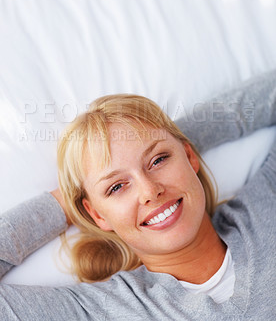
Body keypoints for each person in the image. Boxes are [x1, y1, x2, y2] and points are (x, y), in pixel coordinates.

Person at [0, 70, 275, 320]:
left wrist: (173, 134)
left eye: (158, 160)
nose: (149, 191)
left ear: (190, 156)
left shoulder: (266, 206)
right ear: (96, 214)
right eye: (116, 187)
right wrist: (65, 204)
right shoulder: (102, 311)